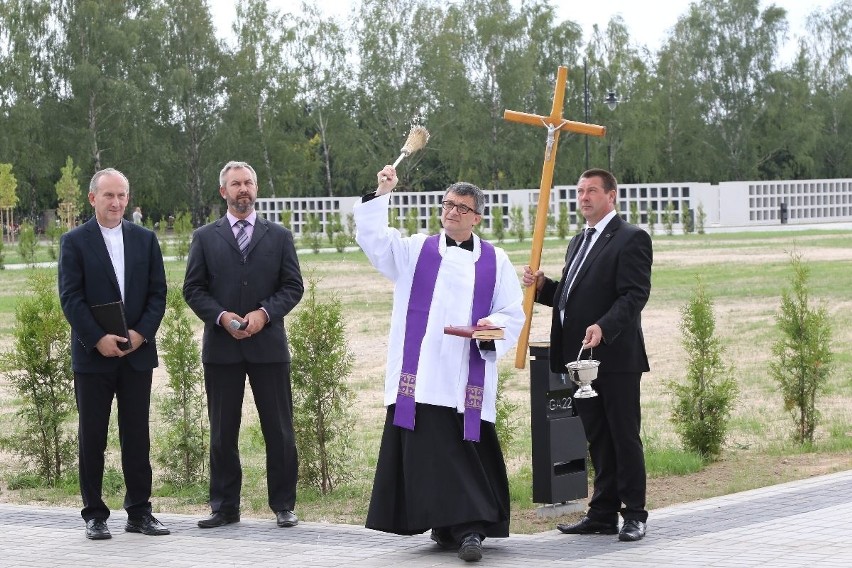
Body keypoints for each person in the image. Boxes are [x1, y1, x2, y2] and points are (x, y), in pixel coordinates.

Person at [356, 165, 525, 562]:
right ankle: (449, 527)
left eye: (461, 208)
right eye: (447, 204)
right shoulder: (415, 250)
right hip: (424, 373)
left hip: (468, 372)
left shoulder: (495, 260)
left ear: (477, 217)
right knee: (432, 455)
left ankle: (471, 530)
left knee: (465, 450)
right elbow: (374, 241)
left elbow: (512, 313)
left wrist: (491, 326)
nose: (451, 212)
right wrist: (382, 192)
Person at [522, 168, 653, 542]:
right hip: (580, 360)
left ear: (612, 195)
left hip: (614, 359)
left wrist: (604, 327)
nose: (584, 197)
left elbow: (634, 295)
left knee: (624, 437)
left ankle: (634, 515)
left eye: (592, 191)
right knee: (598, 439)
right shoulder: (580, 240)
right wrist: (545, 288)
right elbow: (572, 298)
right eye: (580, 191)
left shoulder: (631, 238)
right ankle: (602, 513)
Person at [183, 161, 304, 530]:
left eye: (248, 183)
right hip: (222, 349)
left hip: (268, 347)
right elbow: (193, 289)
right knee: (222, 432)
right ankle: (224, 507)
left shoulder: (280, 236)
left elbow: (293, 287)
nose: (243, 190)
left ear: (256, 189)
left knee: (280, 430)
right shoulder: (205, 237)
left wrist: (264, 314)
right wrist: (221, 317)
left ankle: (284, 504)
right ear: (223, 191)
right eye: (235, 184)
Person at [58, 168, 169, 540]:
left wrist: (141, 334)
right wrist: (96, 338)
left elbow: (158, 294)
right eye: (109, 195)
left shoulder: (145, 239)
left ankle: (139, 511)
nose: (117, 202)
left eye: (122, 195)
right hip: (93, 357)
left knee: (137, 435)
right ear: (93, 199)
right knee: (93, 436)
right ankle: (94, 514)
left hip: (137, 354)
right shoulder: (74, 242)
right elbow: (70, 298)